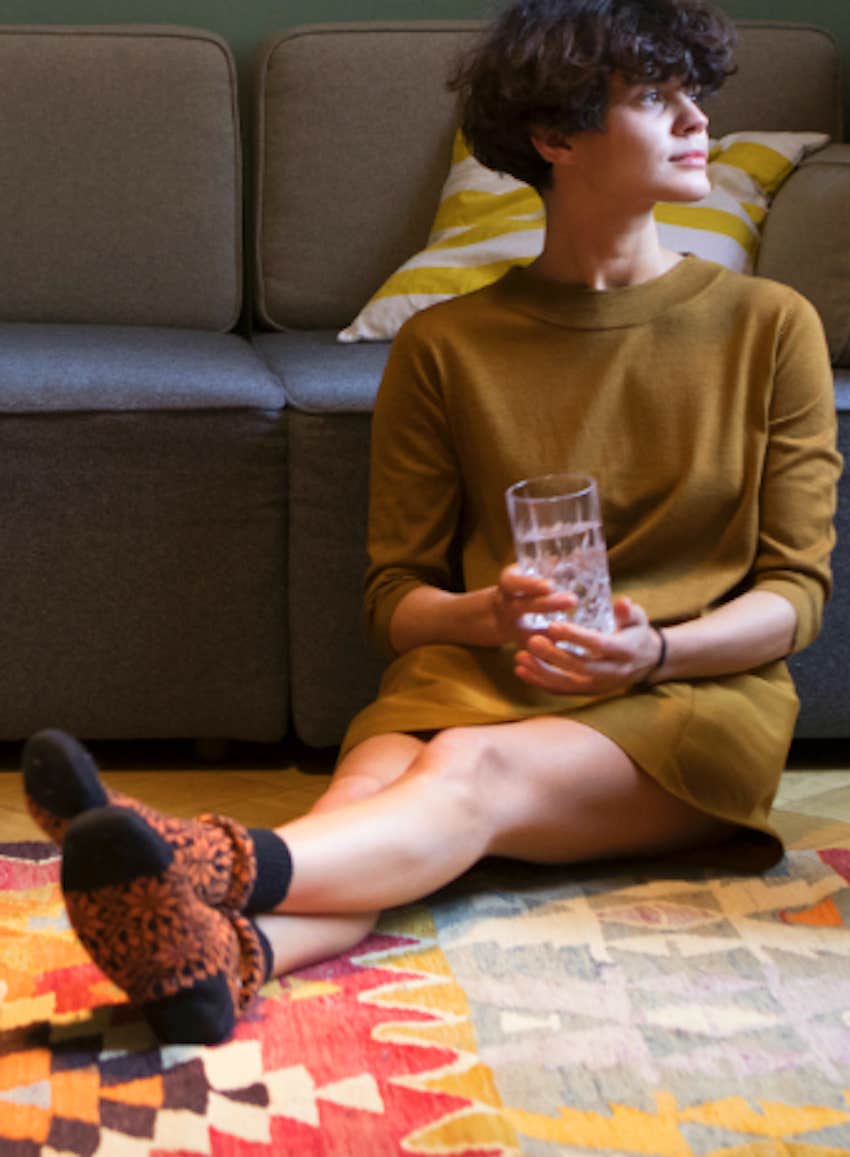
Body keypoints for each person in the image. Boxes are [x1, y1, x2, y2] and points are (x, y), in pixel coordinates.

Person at [23, 0, 841, 1046]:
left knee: (463, 771)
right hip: (472, 674)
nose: (697, 122)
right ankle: (225, 959)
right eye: (654, 98)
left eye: (695, 95)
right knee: (363, 810)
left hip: (691, 694)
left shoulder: (768, 326)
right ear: (555, 136)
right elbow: (394, 602)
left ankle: (204, 856)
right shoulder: (446, 343)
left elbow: (794, 596)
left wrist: (651, 648)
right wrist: (484, 614)